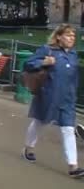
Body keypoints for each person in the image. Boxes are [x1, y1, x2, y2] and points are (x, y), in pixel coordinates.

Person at [22, 24, 84, 178]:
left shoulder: (73, 54)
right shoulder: (47, 50)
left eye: (73, 36)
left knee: (68, 130)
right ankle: (28, 148)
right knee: (39, 122)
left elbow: (73, 77)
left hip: (68, 98)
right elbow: (28, 64)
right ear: (58, 37)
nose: (71, 38)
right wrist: (43, 63)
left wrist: (73, 93)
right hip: (48, 95)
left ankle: (73, 166)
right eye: (68, 35)